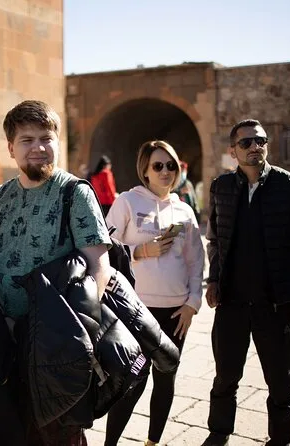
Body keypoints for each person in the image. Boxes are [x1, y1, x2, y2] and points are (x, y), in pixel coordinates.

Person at [0, 100, 111, 445]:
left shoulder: (74, 193)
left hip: (54, 344)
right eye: (27, 140)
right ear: (11, 148)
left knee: (58, 433)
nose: (38, 147)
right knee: (7, 430)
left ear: (57, 142)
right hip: (4, 337)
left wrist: (74, 333)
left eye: (45, 138)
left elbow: (98, 266)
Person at [202, 119, 290, 446]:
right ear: (233, 151)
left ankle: (279, 440)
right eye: (246, 143)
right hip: (231, 303)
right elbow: (215, 239)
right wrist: (214, 279)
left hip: (275, 304)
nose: (255, 147)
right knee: (225, 378)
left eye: (260, 140)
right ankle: (218, 434)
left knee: (281, 383)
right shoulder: (221, 187)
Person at [104, 140, 205, 446]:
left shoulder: (184, 210)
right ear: (145, 170)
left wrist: (192, 303)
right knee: (132, 380)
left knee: (165, 378)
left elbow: (196, 260)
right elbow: (106, 247)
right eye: (158, 165)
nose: (165, 171)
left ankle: (152, 442)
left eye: (171, 165)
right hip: (136, 310)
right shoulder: (127, 202)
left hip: (176, 312)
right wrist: (141, 251)